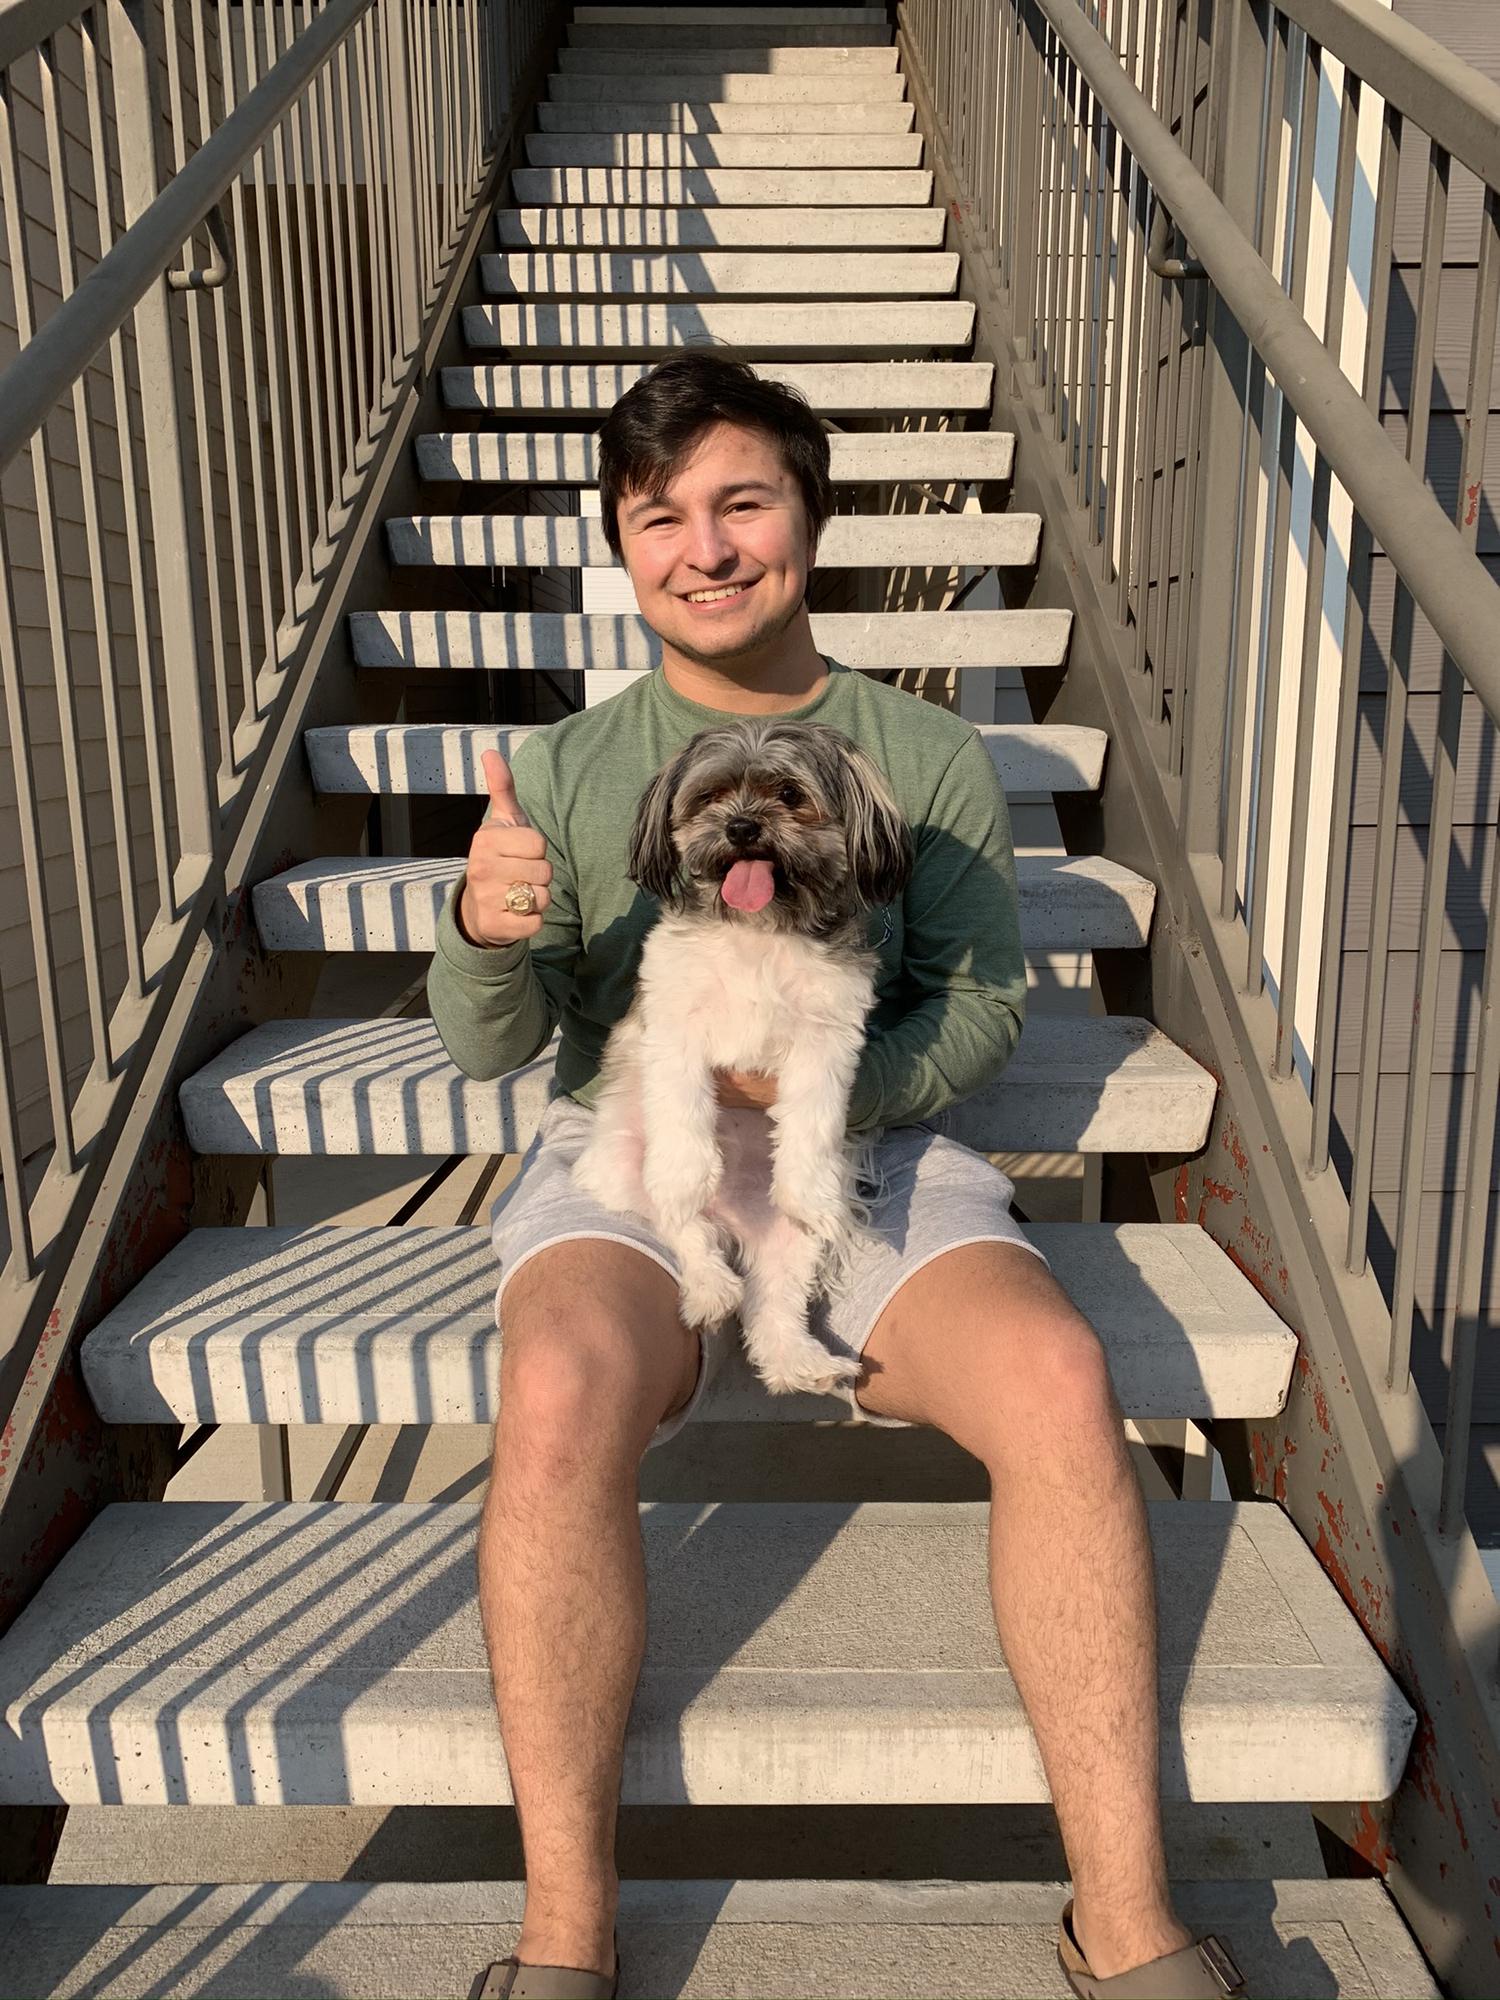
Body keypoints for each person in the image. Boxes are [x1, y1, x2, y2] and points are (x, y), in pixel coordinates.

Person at [427, 351, 1243, 2000]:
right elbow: (489, 1049)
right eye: (659, 518)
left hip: (867, 1145)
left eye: (742, 501)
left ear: (810, 512)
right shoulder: (582, 765)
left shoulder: (921, 757)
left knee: (1063, 1375)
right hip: (633, 1141)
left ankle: (1130, 1921)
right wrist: (480, 928)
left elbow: (988, 998)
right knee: (563, 1382)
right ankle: (565, 1937)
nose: (705, 547)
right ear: (622, 546)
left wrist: (813, 1096)